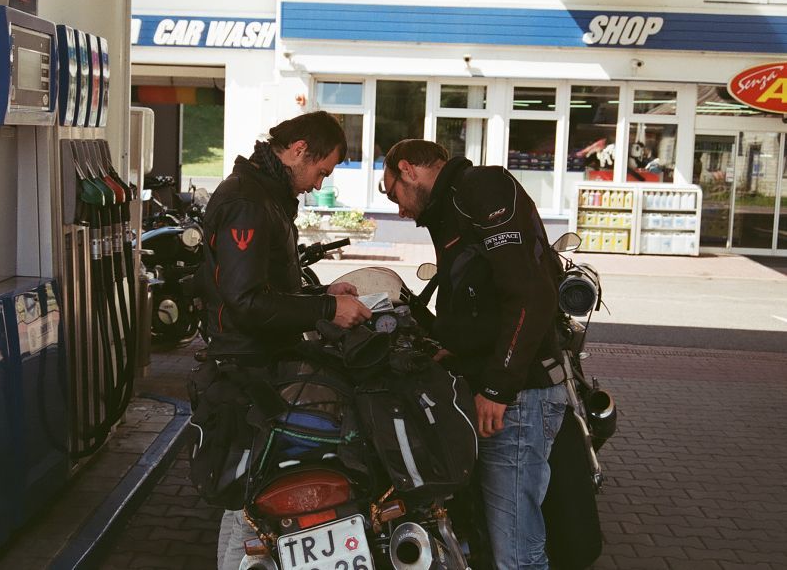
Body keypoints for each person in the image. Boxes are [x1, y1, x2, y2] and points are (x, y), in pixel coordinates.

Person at [380, 139, 566, 569]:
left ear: (408, 169)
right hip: (499, 390)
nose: (400, 209)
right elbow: (481, 292)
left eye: (393, 194)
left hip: (518, 398)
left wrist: (498, 387)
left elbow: (530, 293)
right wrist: (452, 347)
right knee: (491, 536)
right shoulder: (453, 205)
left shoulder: (481, 187)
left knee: (516, 552)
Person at [201, 111, 371, 569]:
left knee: (245, 500)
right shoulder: (248, 201)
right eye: (321, 171)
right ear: (299, 150)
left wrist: (323, 293)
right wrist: (326, 310)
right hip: (246, 370)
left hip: (259, 363)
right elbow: (246, 301)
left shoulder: (266, 195)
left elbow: (266, 288)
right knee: (252, 504)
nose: (318, 184)